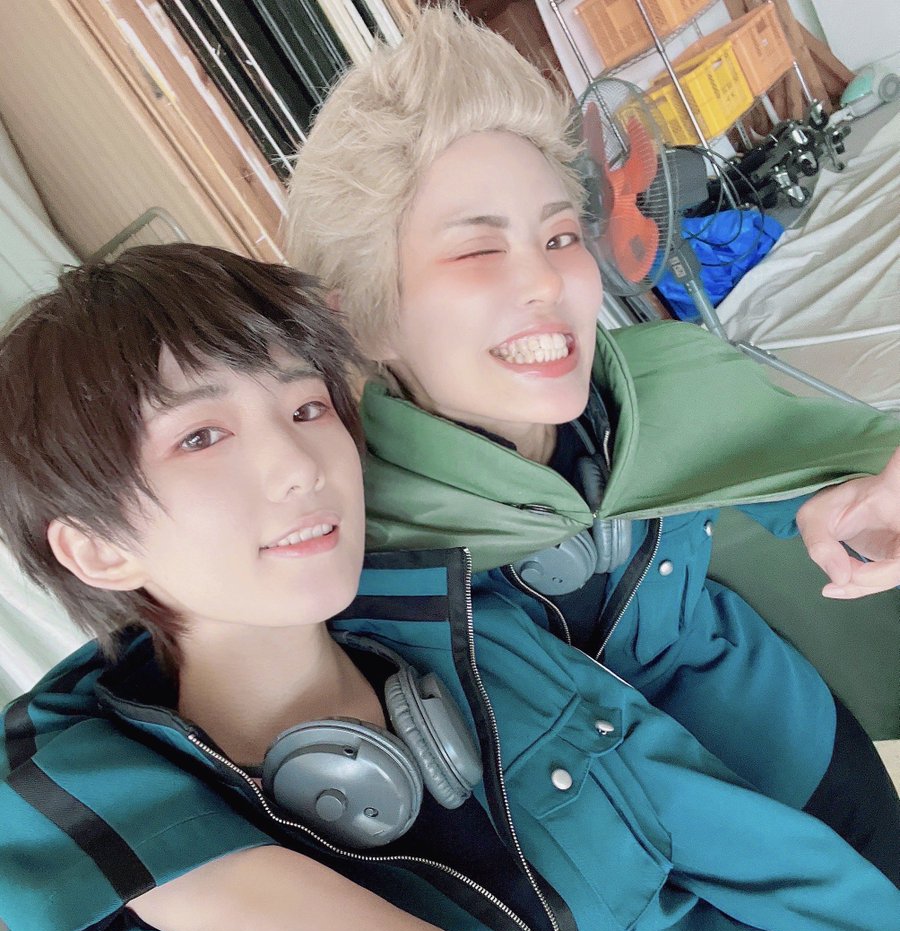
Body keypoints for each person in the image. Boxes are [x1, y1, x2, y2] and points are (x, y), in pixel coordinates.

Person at [1, 247, 899, 931]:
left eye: (306, 407)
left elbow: (786, 872)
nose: (300, 466)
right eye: (201, 436)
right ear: (97, 549)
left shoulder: (481, 639)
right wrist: (300, 927)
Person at [285, 5, 900, 882]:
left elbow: (812, 464)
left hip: (804, 757)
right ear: (366, 318)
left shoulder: (660, 383)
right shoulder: (354, 552)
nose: (548, 280)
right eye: (477, 251)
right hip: (640, 879)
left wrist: (864, 504)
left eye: (561, 235)